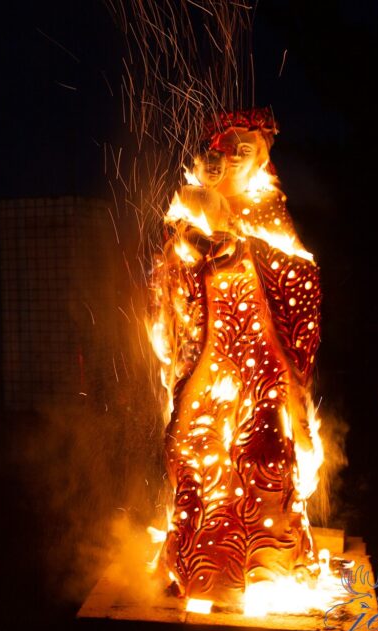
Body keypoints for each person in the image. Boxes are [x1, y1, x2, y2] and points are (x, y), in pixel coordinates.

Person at [153, 108, 325, 604]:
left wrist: (245, 251)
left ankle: (269, 564)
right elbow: (169, 275)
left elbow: (303, 277)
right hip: (212, 355)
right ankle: (205, 563)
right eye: (224, 151)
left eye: (244, 149)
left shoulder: (269, 215)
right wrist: (191, 250)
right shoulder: (189, 209)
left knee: (264, 454)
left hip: (262, 357)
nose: (231, 160)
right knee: (195, 450)